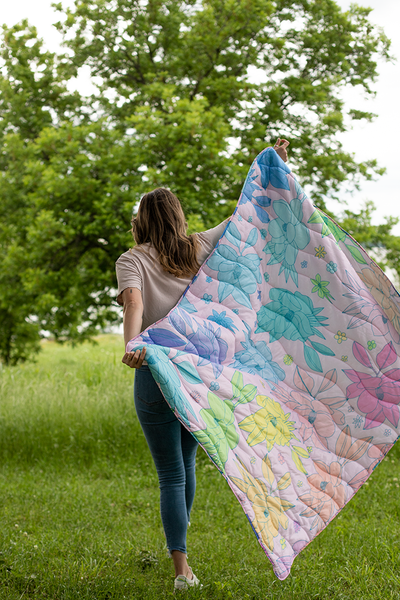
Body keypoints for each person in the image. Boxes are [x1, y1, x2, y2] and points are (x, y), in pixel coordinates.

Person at [116, 138, 289, 591]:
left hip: (156, 371)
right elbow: (243, 216)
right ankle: (183, 559)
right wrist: (270, 168)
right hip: (199, 376)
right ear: (177, 217)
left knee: (172, 472)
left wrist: (134, 343)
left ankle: (181, 567)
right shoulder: (197, 249)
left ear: (141, 221)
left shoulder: (131, 259)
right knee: (186, 466)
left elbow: (133, 303)